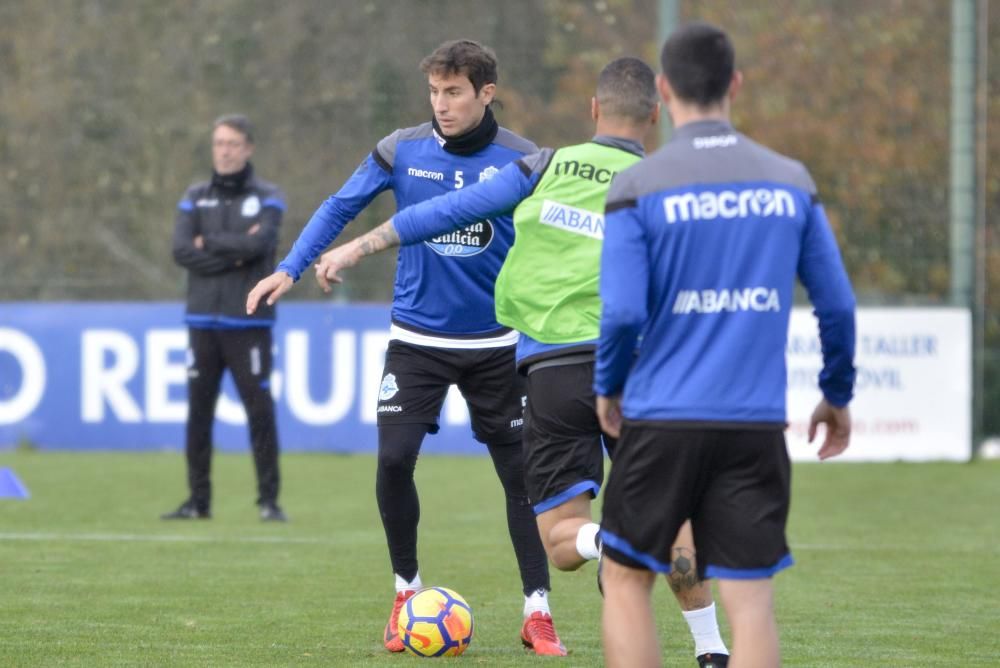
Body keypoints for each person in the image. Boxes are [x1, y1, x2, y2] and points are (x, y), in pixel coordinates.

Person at [302, 57, 730, 667]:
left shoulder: (542, 164)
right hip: (637, 368)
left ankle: (601, 541)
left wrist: (358, 246)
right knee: (670, 512)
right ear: (656, 117)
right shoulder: (670, 181)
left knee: (561, 539)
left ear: (592, 111)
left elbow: (442, 213)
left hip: (553, 368)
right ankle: (711, 650)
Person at [246, 40, 566, 656]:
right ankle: (404, 591)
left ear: (486, 94)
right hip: (416, 340)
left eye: (454, 92)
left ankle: (537, 609)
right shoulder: (402, 148)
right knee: (393, 461)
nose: (441, 105)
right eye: (434, 93)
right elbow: (341, 204)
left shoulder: (525, 161)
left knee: (520, 475)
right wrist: (291, 266)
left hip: (499, 342)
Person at [593, 23, 857, 668]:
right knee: (751, 601)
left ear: (663, 90)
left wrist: (608, 384)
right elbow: (837, 304)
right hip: (753, 423)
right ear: (735, 85)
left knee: (627, 580)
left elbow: (624, 310)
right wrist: (836, 395)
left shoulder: (638, 185)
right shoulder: (790, 179)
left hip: (661, 419)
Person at [163, 114, 288, 523]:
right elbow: (181, 250)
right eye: (219, 142)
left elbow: (262, 245)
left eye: (233, 143)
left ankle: (268, 502)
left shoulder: (267, 196)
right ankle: (198, 503)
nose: (225, 150)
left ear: (248, 148)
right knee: (198, 414)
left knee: (259, 411)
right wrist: (233, 255)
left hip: (248, 323)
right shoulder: (195, 196)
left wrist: (212, 245)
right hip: (202, 321)